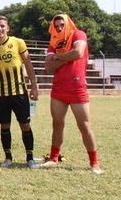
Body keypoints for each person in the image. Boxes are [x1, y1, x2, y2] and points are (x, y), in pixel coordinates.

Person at [42, 14, 103, 174]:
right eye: (57, 26)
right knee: (57, 123)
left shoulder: (78, 34)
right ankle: (54, 158)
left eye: (62, 24)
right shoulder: (53, 41)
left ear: (68, 23)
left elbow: (78, 53)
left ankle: (94, 163)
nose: (60, 28)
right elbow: (48, 66)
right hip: (59, 89)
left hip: (77, 88)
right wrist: (63, 58)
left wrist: (57, 56)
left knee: (84, 125)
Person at [0, 15, 39, 169]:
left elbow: (28, 64)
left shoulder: (18, 42)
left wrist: (34, 86)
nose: (0, 29)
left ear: (8, 28)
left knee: (25, 125)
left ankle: (30, 158)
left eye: (2, 26)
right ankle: (8, 157)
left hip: (20, 93)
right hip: (2, 95)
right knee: (4, 126)